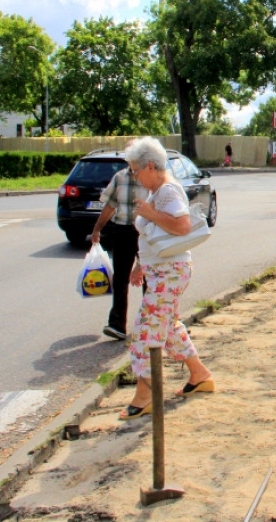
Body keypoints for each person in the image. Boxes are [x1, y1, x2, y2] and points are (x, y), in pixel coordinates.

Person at [119, 137, 214, 420]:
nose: (135, 176)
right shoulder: (158, 191)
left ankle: (146, 394)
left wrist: (150, 213)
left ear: (150, 165)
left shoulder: (167, 191)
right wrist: (140, 263)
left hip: (169, 272)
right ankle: (199, 374)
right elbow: (153, 235)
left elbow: (182, 226)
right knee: (167, 327)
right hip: (162, 271)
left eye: (136, 171)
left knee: (144, 331)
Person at [91, 153, 147, 342]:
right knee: (120, 278)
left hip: (147, 231)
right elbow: (110, 205)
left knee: (149, 277)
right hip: (123, 230)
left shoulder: (149, 177)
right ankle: (117, 325)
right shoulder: (120, 178)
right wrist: (97, 229)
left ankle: (149, 324)